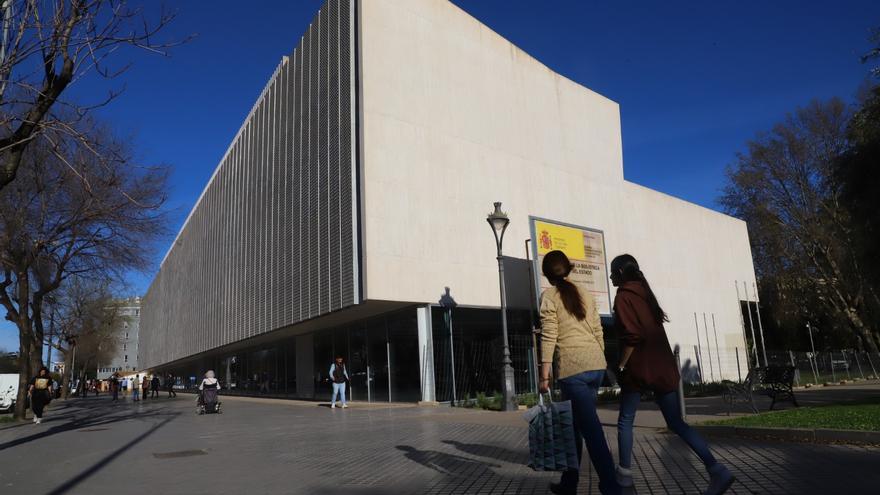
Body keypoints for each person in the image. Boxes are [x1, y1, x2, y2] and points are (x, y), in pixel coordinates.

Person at [610, 254, 734, 495]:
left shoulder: (623, 296)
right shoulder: (646, 293)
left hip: (638, 369)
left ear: (622, 274)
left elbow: (632, 336)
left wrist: (622, 365)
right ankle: (717, 469)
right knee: (676, 422)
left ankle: (624, 478)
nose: (612, 276)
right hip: (663, 367)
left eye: (614, 272)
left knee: (626, 421)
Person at [538, 250, 620, 495]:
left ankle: (611, 486)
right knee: (573, 426)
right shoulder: (585, 292)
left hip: (573, 369)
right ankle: (568, 482)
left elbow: (549, 334)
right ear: (569, 268)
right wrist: (600, 357)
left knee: (591, 429)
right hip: (595, 365)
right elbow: (597, 329)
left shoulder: (549, 296)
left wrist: (544, 375)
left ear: (547, 275)